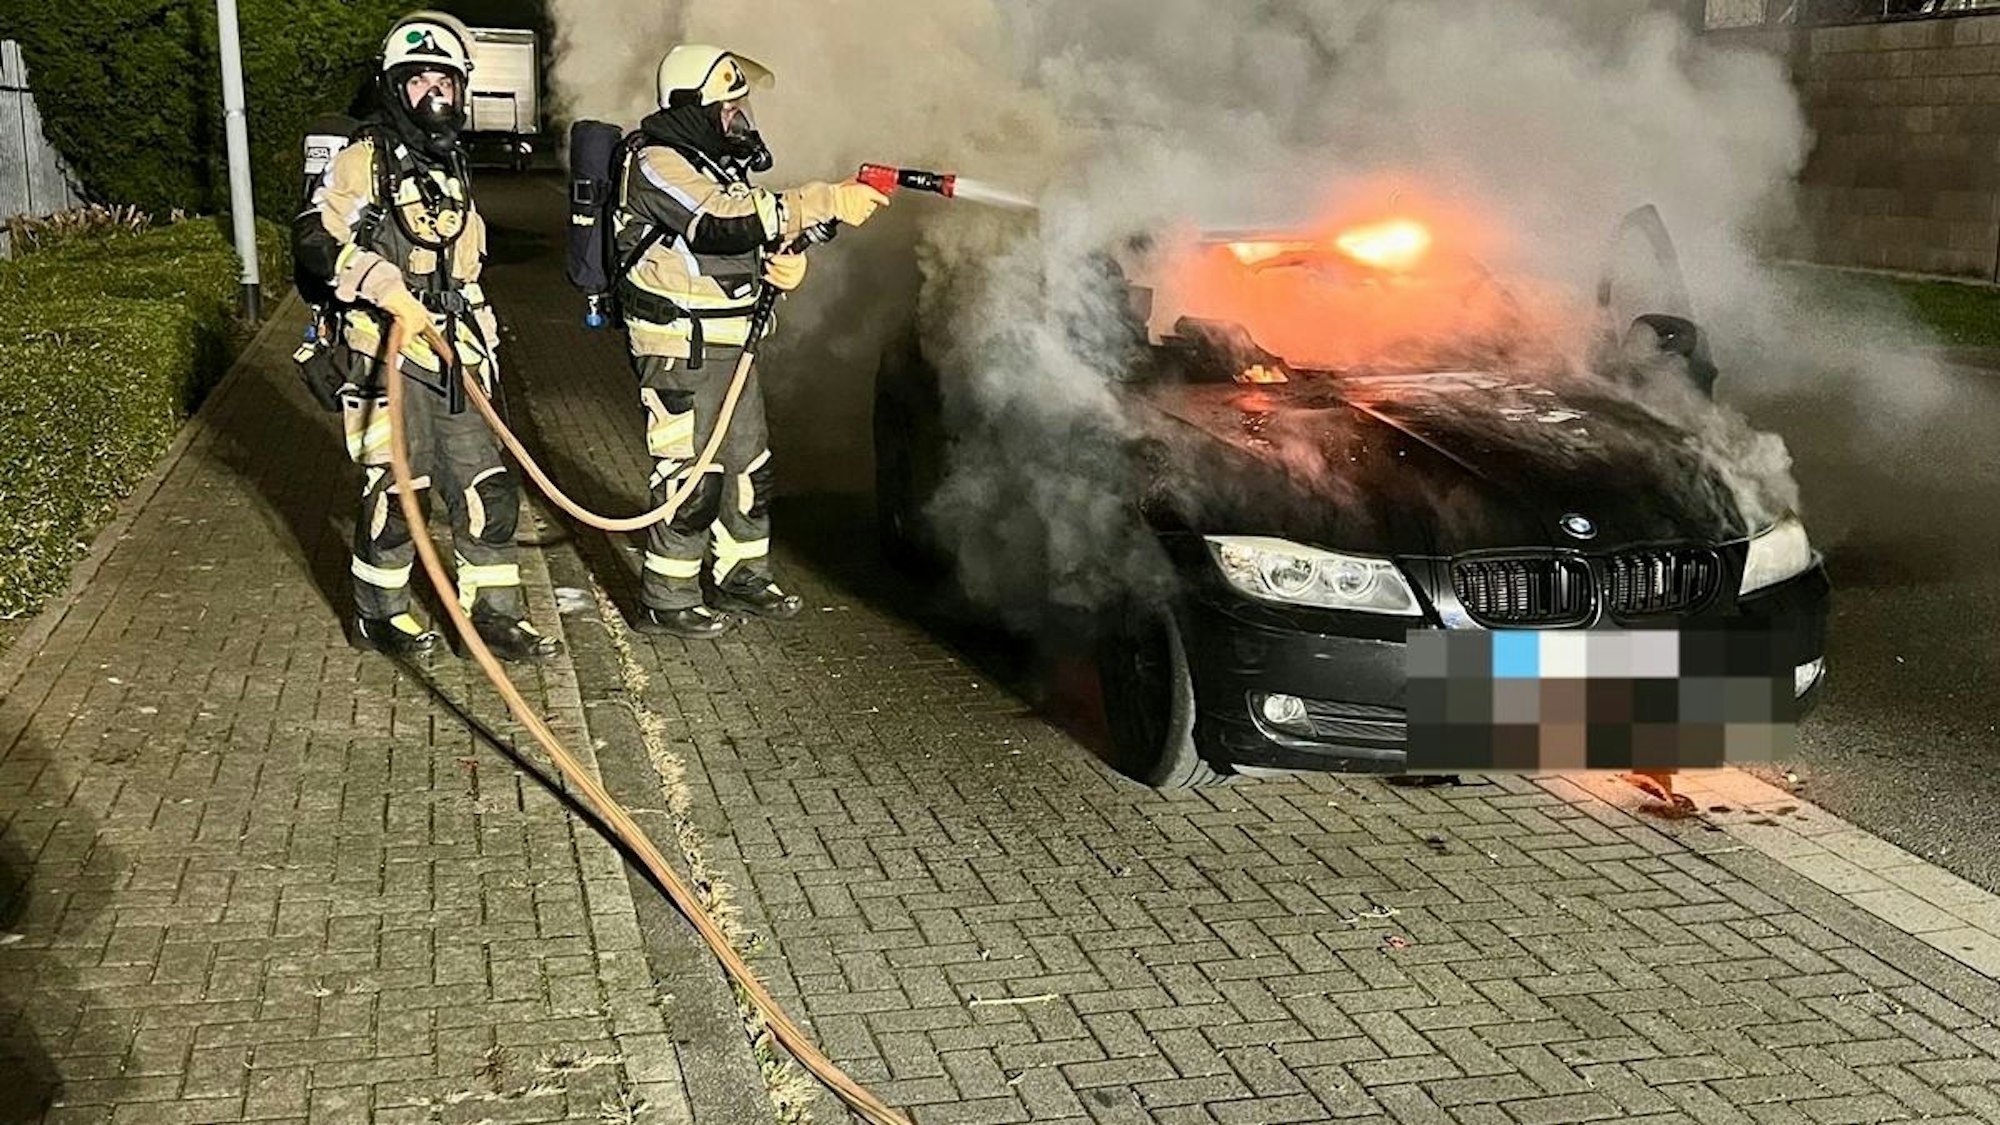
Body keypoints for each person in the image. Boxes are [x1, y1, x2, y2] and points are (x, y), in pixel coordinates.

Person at [293, 10, 560, 663]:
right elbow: (314, 236)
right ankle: (379, 614)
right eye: (420, 82)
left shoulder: (450, 165)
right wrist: (380, 283)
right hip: (387, 353)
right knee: (398, 492)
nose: (435, 95)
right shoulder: (364, 160)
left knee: (487, 486)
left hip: (454, 354)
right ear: (395, 87)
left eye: (445, 82)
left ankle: (493, 617)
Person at [612, 45, 890, 638]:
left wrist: (788, 257)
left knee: (748, 466)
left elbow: (748, 234)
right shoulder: (655, 163)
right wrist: (822, 198)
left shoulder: (716, 167)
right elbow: (720, 221)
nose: (739, 117)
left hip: (734, 342)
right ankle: (666, 597)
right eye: (728, 107)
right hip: (681, 347)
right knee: (691, 476)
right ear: (693, 109)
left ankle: (741, 575)